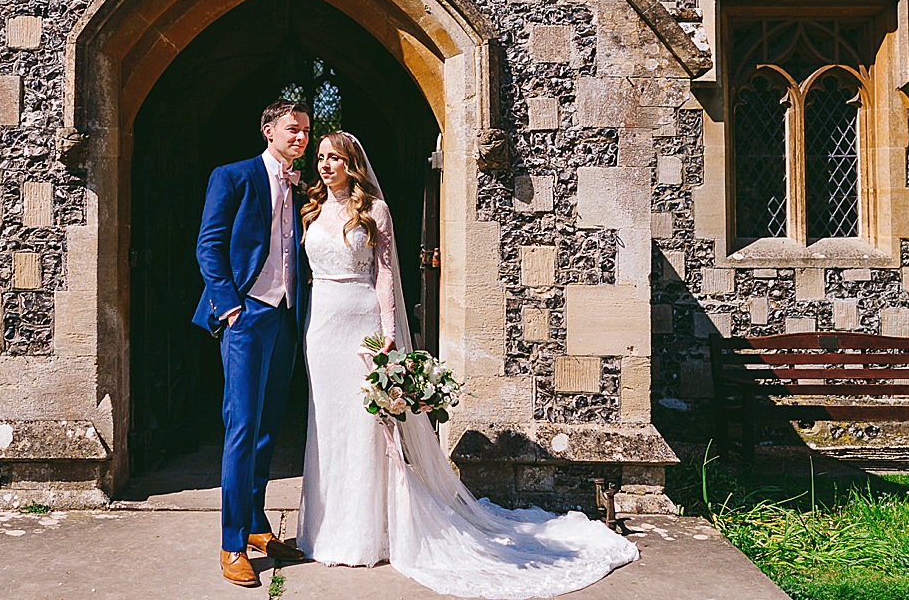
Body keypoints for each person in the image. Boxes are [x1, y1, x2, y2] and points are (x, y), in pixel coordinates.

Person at [295, 131, 639, 598]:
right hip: (322, 327)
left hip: (360, 324)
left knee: (367, 430)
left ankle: (368, 531)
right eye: (321, 157)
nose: (326, 165)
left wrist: (389, 336)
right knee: (328, 425)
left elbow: (385, 276)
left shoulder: (373, 210)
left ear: (352, 163)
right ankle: (326, 528)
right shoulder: (312, 210)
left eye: (334, 158)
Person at [192, 97, 315, 588]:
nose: (301, 136)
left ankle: (259, 524)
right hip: (246, 316)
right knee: (241, 427)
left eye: (306, 129)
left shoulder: (301, 185)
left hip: (285, 317)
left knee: (268, 426)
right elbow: (209, 244)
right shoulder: (234, 175)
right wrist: (230, 305)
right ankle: (230, 541)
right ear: (268, 130)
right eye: (292, 128)